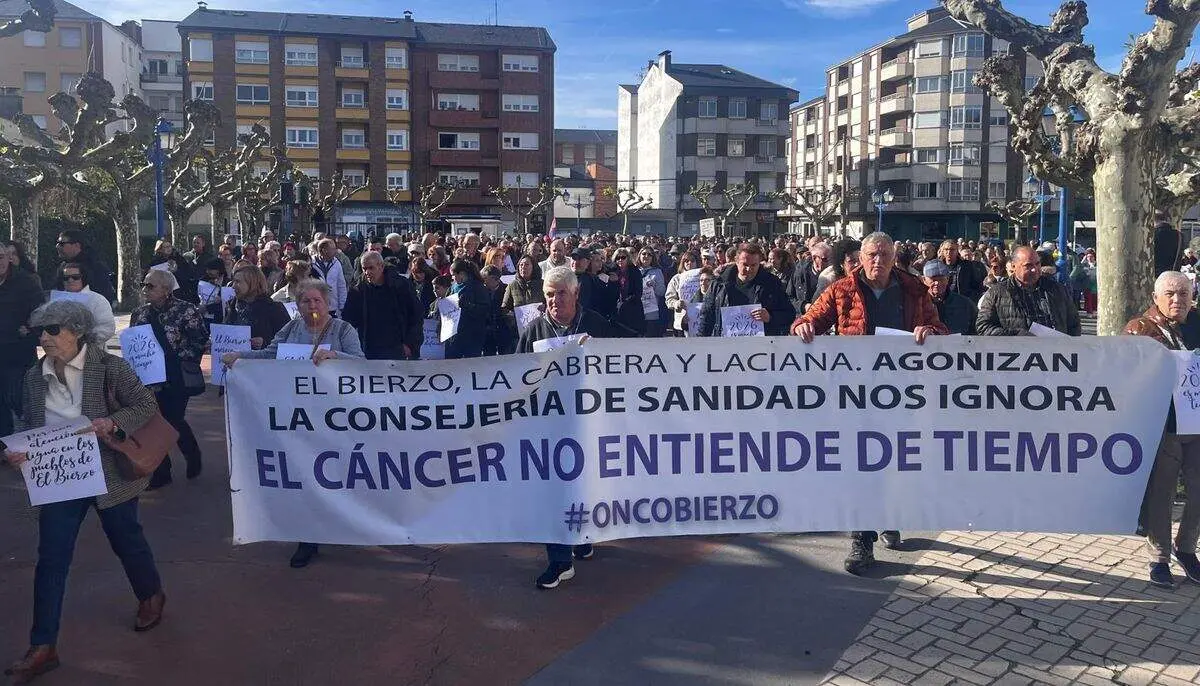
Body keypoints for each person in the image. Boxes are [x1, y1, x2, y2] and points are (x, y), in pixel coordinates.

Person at [3, 301, 166, 683]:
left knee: (126, 538)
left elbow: (145, 403)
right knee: (52, 558)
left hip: (109, 472)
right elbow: (30, 423)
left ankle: (151, 594)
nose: (43, 337)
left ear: (77, 331)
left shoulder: (109, 367)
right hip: (59, 477)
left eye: (52, 329)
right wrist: (18, 453)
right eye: (41, 330)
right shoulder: (33, 376)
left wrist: (112, 422)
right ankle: (43, 646)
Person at [792, 232, 947, 575]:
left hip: (903, 393)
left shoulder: (915, 290)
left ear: (895, 258)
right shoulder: (841, 290)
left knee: (894, 462)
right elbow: (812, 319)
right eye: (872, 254)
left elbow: (939, 328)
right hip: (856, 395)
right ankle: (862, 540)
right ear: (860, 257)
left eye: (884, 255)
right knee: (862, 464)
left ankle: (888, 515)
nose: (878, 261)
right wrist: (803, 325)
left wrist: (931, 333)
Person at [222, 279, 363, 569]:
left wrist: (335, 356)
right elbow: (270, 354)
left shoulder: (344, 330)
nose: (312, 306)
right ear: (297, 305)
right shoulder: (291, 329)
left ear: (328, 303)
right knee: (307, 472)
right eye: (305, 301)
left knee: (338, 471)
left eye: (317, 301)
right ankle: (308, 536)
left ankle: (345, 521)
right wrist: (240, 357)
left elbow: (361, 362)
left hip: (334, 416)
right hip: (298, 417)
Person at [515, 266, 616, 589]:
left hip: (590, 422)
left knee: (587, 481)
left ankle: (582, 537)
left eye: (561, 293)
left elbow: (621, 368)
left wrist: (595, 349)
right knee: (555, 488)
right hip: (549, 426)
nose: (554, 300)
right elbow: (517, 374)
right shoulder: (533, 330)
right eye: (548, 294)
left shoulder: (597, 325)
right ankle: (560, 561)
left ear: (575, 294)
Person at [1123, 271, 1200, 587]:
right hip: (1163, 426)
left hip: (1196, 422)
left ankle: (1187, 548)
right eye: (1170, 293)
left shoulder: (1197, 323)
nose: (1177, 300)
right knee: (1161, 494)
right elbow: (1126, 376)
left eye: (1184, 293)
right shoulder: (1139, 330)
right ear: (1155, 297)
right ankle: (1159, 558)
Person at [130, 269, 209, 488]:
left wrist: (172, 357)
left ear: (166, 290)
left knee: (173, 419)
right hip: (148, 377)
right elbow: (134, 343)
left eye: (151, 286)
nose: (145, 290)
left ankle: (191, 453)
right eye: (144, 285)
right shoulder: (139, 313)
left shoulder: (186, 310)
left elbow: (199, 340)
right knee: (151, 422)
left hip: (175, 375)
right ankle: (161, 471)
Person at [976, 246, 1081, 336]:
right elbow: (983, 326)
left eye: (1037, 264)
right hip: (1014, 354)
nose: (1035, 269)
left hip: (1054, 354)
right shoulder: (997, 293)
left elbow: (1073, 324)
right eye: (1028, 265)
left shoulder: (1057, 290)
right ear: (1013, 266)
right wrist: (1014, 335)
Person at [699, 243, 796, 337]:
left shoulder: (772, 283)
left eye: (753, 265)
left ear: (759, 263)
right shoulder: (719, 284)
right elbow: (706, 316)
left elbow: (789, 314)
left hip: (761, 347)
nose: (749, 269)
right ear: (736, 262)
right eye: (745, 264)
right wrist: (701, 345)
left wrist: (770, 317)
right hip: (726, 346)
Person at [0, 238, 44, 439]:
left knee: (20, 403)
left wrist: (29, 330)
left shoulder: (26, 281)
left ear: (9, 258)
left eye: (0, 257)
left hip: (18, 355)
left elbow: (39, 315)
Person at [342, 252, 421, 361]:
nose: (367, 272)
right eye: (364, 269)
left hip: (397, 346)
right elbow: (349, 319)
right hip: (368, 347)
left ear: (381, 266)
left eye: (371, 268)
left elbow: (415, 315)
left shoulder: (401, 286)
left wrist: (410, 344)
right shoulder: (358, 289)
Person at [225, 265, 291, 352]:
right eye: (233, 282)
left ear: (253, 283)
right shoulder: (231, 307)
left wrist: (265, 343)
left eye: (238, 282)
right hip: (233, 363)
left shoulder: (274, 309)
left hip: (262, 363)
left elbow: (288, 340)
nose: (233, 286)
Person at [53, 262, 116, 344]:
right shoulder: (55, 301)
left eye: (75, 277)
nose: (70, 280)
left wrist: (84, 340)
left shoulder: (97, 300)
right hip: (59, 351)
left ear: (84, 278)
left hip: (90, 351)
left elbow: (107, 327)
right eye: (66, 278)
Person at [444, 260, 492, 359]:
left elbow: (485, 309)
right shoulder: (453, 287)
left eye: (454, 275)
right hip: (454, 334)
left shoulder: (478, 287)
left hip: (472, 335)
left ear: (462, 274)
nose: (453, 278)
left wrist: (468, 305)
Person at [51, 229, 114, 302]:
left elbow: (105, 296)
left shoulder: (96, 267)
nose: (57, 246)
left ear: (77, 245)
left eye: (62, 244)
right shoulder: (63, 266)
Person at [922, 261, 976, 335]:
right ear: (924, 280)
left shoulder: (965, 304)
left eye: (941, 279)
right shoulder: (917, 305)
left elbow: (977, 330)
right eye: (933, 279)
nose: (937, 283)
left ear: (947, 279)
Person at [611, 249, 645, 337]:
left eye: (623, 257)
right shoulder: (612, 271)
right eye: (618, 258)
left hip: (632, 309)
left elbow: (638, 292)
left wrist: (625, 302)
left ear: (628, 258)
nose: (620, 260)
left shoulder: (635, 271)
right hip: (616, 311)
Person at [665, 252, 700, 334]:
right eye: (686, 261)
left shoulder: (703, 277)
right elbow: (669, 299)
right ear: (682, 263)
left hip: (699, 319)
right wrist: (676, 303)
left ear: (697, 262)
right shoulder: (676, 279)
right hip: (681, 321)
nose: (689, 263)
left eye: (692, 260)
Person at [310, 238, 348, 316]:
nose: (336, 251)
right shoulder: (311, 263)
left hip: (332, 308)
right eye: (333, 249)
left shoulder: (336, 263)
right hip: (316, 307)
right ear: (324, 250)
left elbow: (341, 285)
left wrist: (342, 306)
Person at [636, 247, 667, 337]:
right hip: (636, 311)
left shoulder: (657, 271)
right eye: (644, 254)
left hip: (651, 313)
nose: (646, 256)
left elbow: (662, 292)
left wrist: (655, 286)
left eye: (649, 254)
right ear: (639, 256)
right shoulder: (634, 270)